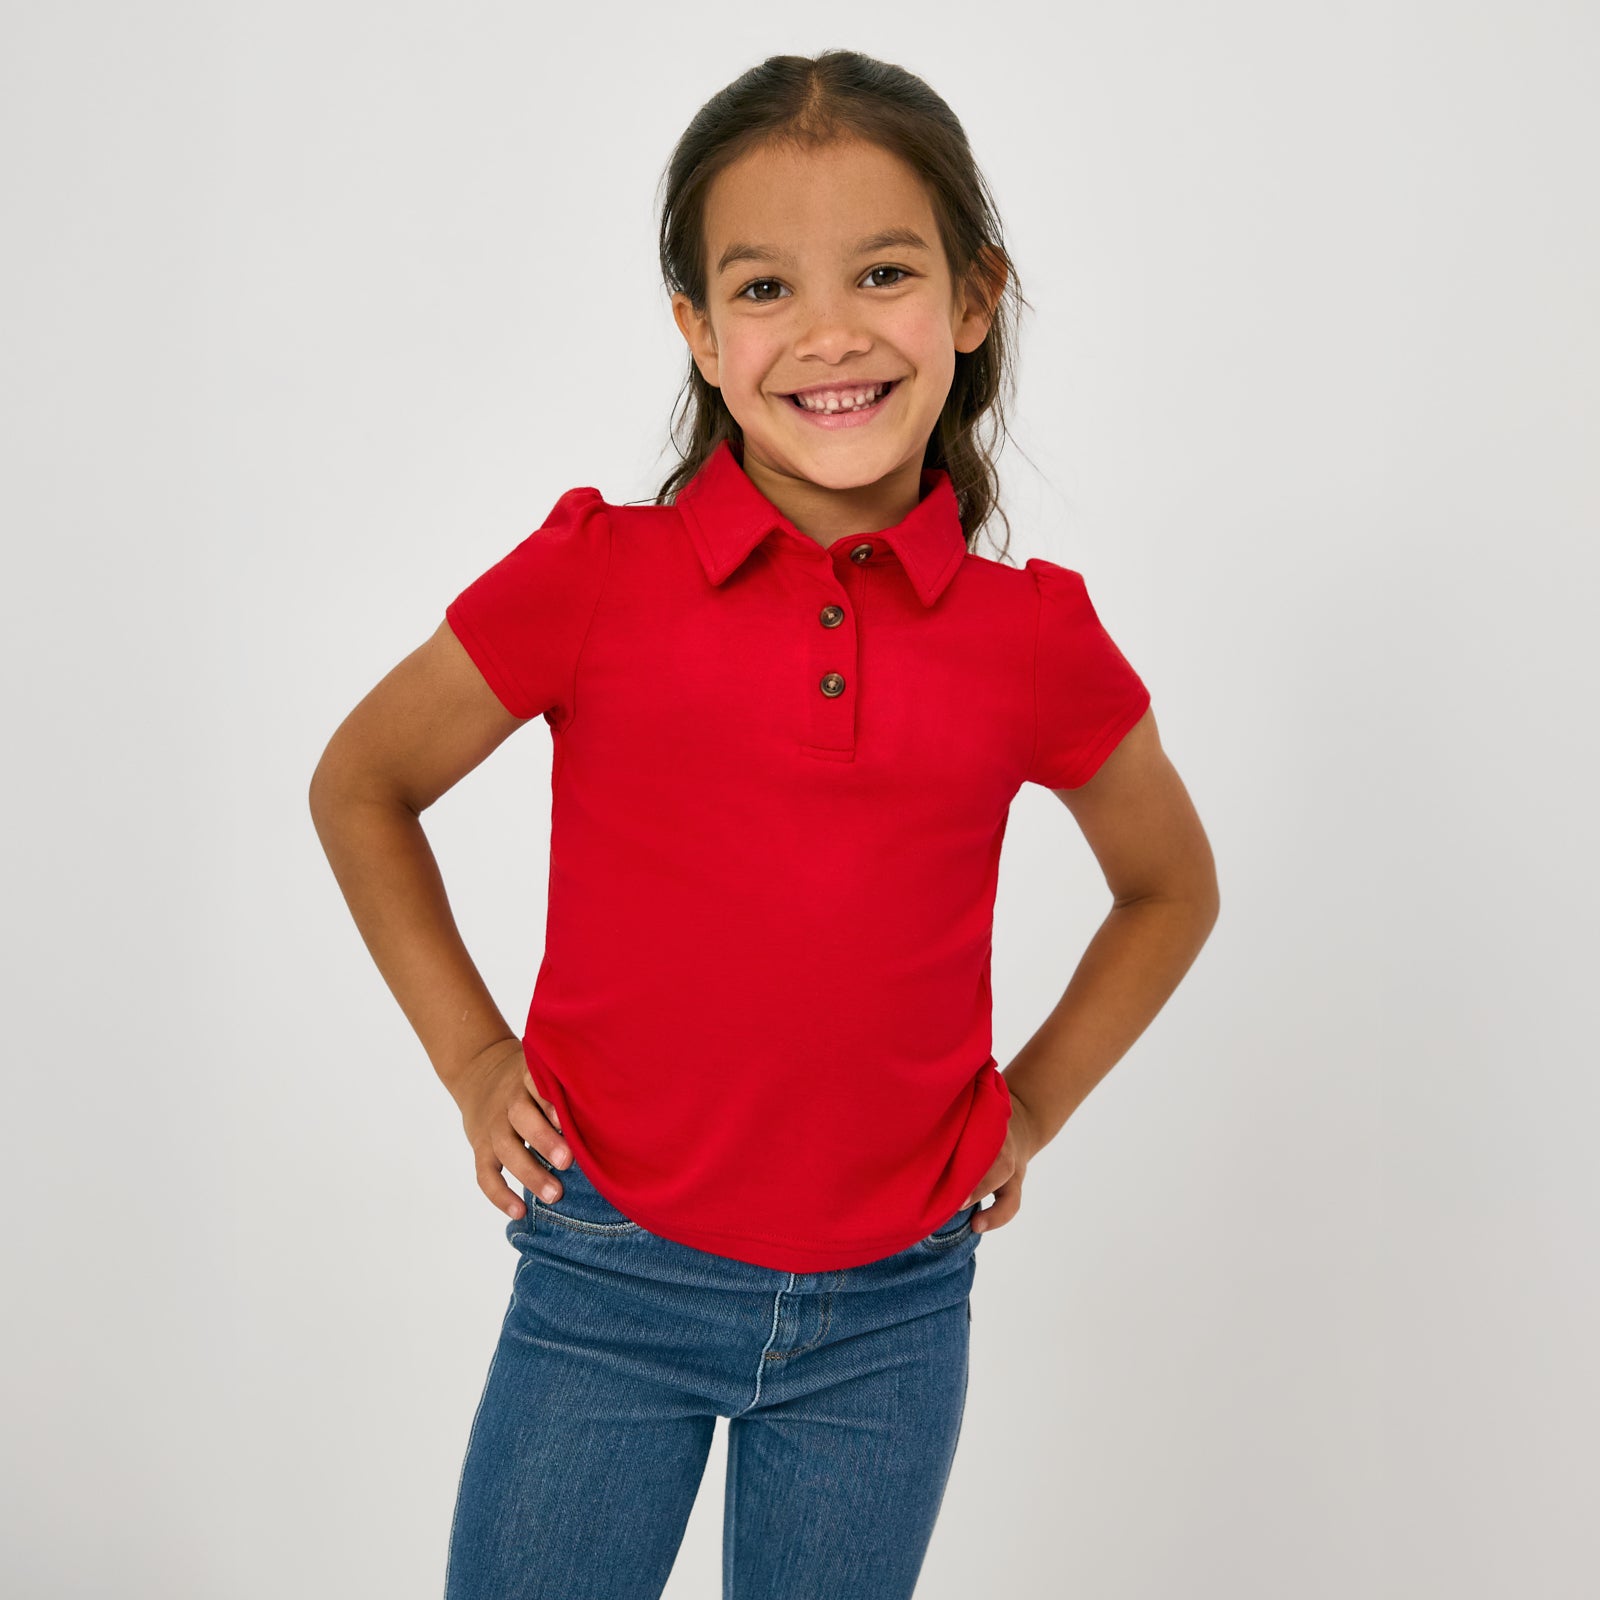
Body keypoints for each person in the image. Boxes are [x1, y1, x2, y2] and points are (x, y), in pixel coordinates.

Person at [309, 47, 1219, 1600]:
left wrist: (1035, 1106)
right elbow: (363, 782)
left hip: (892, 1312)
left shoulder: (1033, 639)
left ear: (975, 298)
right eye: (764, 290)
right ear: (698, 334)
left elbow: (1168, 888)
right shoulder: (598, 579)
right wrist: (474, 1062)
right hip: (609, 1273)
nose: (830, 334)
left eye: (882, 271)